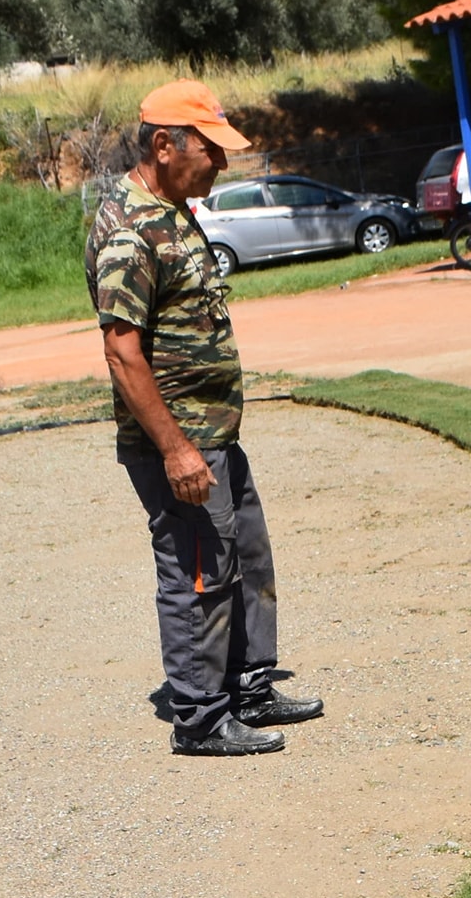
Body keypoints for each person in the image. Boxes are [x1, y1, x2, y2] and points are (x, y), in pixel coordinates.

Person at [85, 79, 324, 757]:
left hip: (215, 433)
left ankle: (247, 686)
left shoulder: (172, 207)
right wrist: (175, 449)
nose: (221, 165)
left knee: (245, 556)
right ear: (164, 144)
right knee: (198, 573)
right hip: (180, 444)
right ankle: (199, 716)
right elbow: (122, 350)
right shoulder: (129, 229)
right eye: (210, 151)